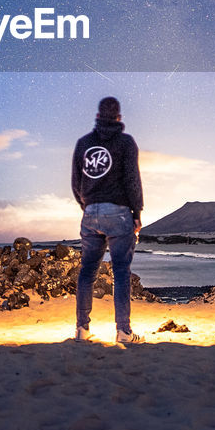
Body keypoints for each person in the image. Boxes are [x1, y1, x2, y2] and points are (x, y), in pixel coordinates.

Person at [72, 95, 145, 344]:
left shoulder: (83, 144)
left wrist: (88, 205)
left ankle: (82, 329)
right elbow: (132, 180)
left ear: (97, 116)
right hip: (119, 213)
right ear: (119, 118)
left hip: (90, 213)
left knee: (87, 272)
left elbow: (75, 183)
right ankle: (123, 332)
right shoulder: (125, 143)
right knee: (121, 271)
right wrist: (137, 213)